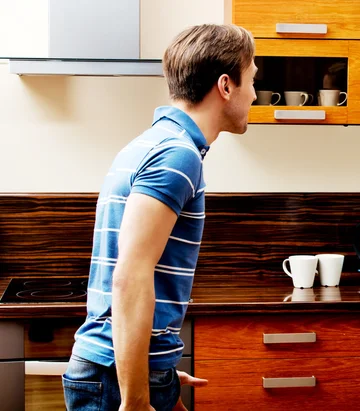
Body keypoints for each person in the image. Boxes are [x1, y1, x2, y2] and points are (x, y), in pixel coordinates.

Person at [62, 24, 257, 411]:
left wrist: (158, 373)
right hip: (116, 377)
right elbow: (130, 275)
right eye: (252, 79)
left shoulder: (152, 143)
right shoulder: (177, 155)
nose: (254, 94)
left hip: (129, 370)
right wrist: (135, 396)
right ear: (225, 86)